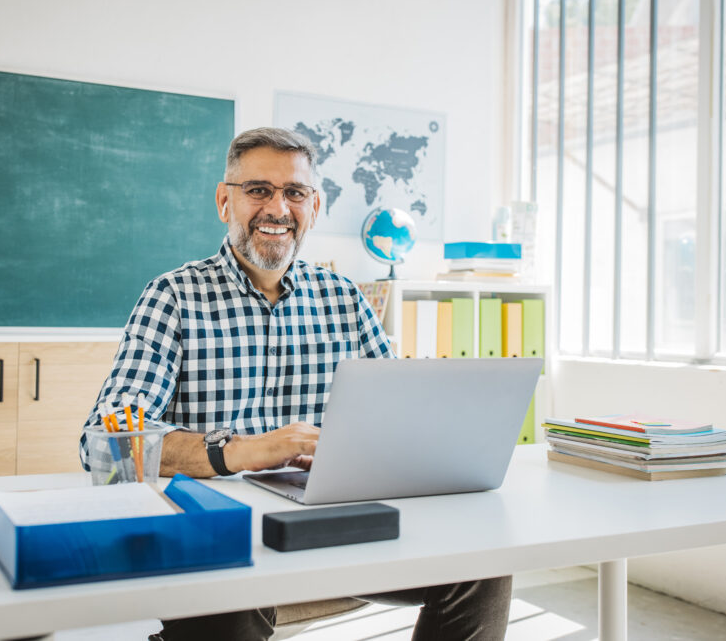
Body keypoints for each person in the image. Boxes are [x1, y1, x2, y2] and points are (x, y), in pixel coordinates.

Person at [80, 127, 511, 641]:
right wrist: (237, 452)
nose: (277, 208)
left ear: (314, 205)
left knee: (482, 569)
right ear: (225, 201)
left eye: (294, 193)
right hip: (219, 534)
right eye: (258, 190)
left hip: (326, 525)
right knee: (233, 599)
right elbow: (105, 444)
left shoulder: (345, 299)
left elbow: (401, 417)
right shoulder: (172, 297)